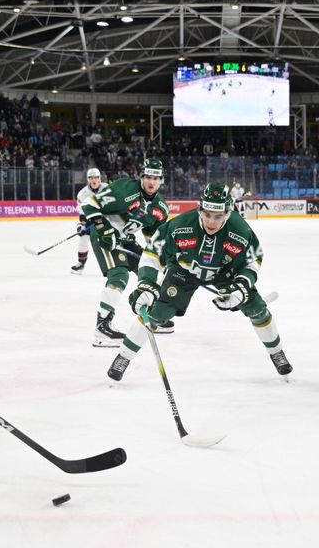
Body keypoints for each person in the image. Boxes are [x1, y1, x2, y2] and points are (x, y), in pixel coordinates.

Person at [107, 183, 290, 381]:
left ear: (227, 213)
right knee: (155, 313)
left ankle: (276, 352)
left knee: (257, 308)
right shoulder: (180, 226)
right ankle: (123, 356)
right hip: (183, 273)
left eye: (218, 216)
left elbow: (253, 260)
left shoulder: (240, 231)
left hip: (223, 273)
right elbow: (152, 254)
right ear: (200, 208)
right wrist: (146, 283)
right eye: (207, 214)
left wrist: (242, 286)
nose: (211, 221)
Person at [81, 158, 170, 346]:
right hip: (105, 236)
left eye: (155, 177)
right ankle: (102, 328)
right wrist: (103, 228)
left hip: (127, 240)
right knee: (119, 274)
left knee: (149, 271)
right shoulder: (124, 190)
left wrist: (162, 258)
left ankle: (154, 315)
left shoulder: (160, 207)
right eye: (147, 176)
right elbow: (89, 204)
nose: (151, 181)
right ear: (141, 177)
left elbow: (152, 235)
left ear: (162, 179)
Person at [72, 168, 104, 275]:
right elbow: (82, 213)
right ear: (88, 179)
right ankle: (81, 263)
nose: (94, 180)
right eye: (91, 178)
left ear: (100, 178)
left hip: (107, 219)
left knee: (109, 240)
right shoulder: (82, 194)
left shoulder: (107, 189)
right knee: (83, 237)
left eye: (96, 177)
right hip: (91, 219)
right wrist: (81, 225)